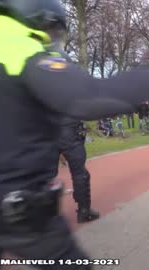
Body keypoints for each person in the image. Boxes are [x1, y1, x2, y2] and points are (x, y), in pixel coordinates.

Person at [0, 0, 149, 268]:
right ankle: (83, 209)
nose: (51, 41)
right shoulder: (20, 50)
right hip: (19, 211)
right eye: (52, 32)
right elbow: (94, 97)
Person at [50, 48, 100, 223]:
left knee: (43, 176)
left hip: (46, 134)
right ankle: (83, 211)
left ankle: (42, 218)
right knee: (80, 174)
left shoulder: (38, 84)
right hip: (70, 134)